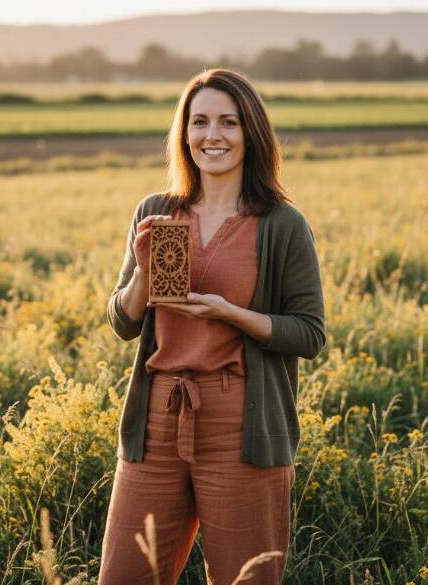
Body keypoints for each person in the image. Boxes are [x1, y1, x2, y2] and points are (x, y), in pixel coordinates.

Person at [100, 68, 326, 585]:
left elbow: (309, 333)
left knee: (243, 578)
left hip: (241, 424)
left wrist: (230, 314)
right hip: (157, 419)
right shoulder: (156, 211)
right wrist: (142, 269)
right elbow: (122, 322)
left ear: (251, 133)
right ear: (184, 134)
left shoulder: (282, 224)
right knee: (126, 575)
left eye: (228, 122)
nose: (212, 135)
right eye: (199, 122)